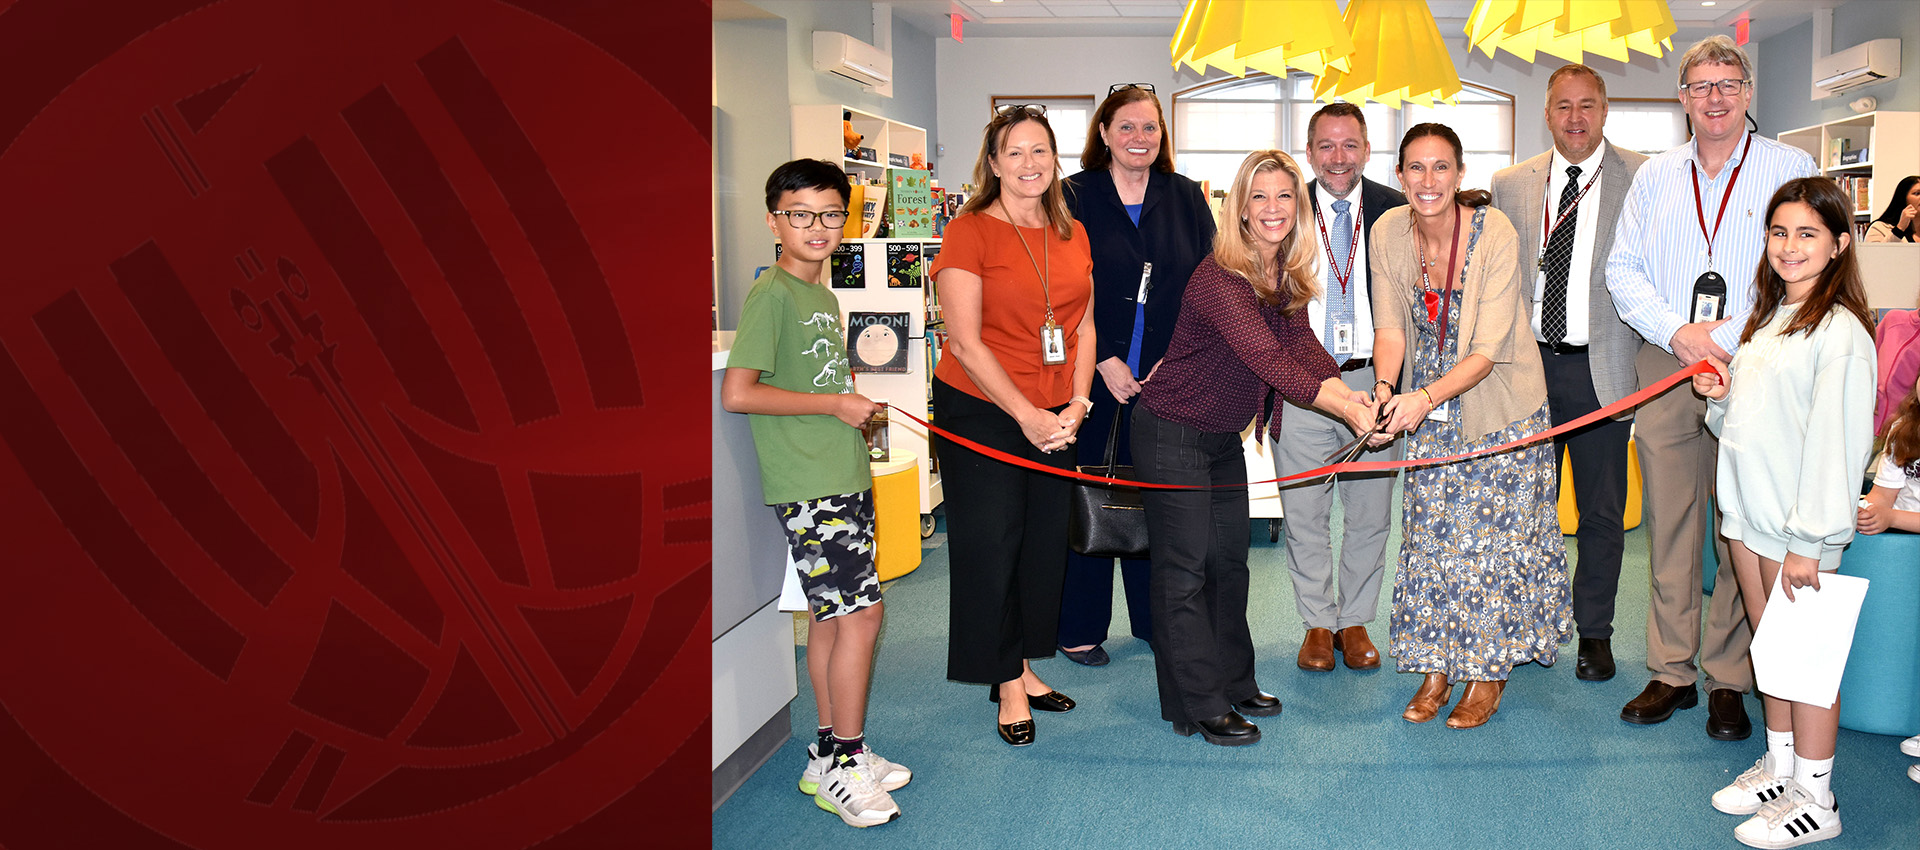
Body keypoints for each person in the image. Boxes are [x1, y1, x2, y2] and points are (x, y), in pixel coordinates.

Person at [1604, 34, 1817, 739]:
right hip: (1666, 364)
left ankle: (1731, 675)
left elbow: (1798, 268)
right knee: (1670, 522)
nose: (1715, 97)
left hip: (1756, 361)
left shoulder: (1791, 167)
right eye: (1701, 86)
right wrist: (1677, 333)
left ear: (1748, 93)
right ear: (1683, 97)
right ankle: (1672, 671)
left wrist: (1718, 339)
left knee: (1743, 526)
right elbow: (1622, 268)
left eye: (1728, 84)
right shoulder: (1656, 175)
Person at [1133, 149, 1375, 746]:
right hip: (1171, 432)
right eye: (1259, 197)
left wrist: (1354, 396)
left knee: (1229, 566)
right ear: (1239, 207)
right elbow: (1268, 361)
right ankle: (1199, 701)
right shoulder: (1219, 277)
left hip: (1219, 438)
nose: (1273, 209)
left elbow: (1307, 354)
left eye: (1285, 197)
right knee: (1184, 572)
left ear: (1300, 207)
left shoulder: (1281, 276)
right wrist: (1349, 409)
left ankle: (1234, 681)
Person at [720, 159, 910, 828]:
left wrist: (844, 412)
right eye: (800, 214)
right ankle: (845, 762)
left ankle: (832, 750)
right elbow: (738, 391)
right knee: (862, 617)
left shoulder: (821, 297)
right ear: (775, 220)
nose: (817, 227)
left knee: (836, 618)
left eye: (831, 214)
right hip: (810, 485)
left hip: (839, 476)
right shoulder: (771, 295)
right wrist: (834, 406)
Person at [1368, 123, 1572, 730]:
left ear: (1460, 175)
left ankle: (1486, 671)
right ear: (1399, 175)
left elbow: (1486, 351)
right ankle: (1436, 663)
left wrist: (1420, 397)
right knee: (1431, 537)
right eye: (1415, 168)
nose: (1427, 181)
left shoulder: (1496, 233)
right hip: (1426, 405)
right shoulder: (1387, 232)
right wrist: (1385, 391)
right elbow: (1390, 329)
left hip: (1501, 405)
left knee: (1491, 543)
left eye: (1440, 168)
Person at [1693, 177, 1876, 849]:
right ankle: (1781, 767)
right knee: (1773, 657)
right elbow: (1747, 420)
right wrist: (1719, 396)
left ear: (1838, 243)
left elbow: (1837, 444)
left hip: (1798, 531)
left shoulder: (1842, 333)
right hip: (1749, 519)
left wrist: (1810, 541)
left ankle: (1817, 797)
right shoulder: (1770, 319)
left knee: (1808, 669)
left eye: (1807, 233)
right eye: (1779, 232)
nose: (1790, 246)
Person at [930, 105, 1095, 748]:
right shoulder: (970, 231)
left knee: (1040, 543)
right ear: (993, 163)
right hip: (983, 407)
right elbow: (966, 343)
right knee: (991, 543)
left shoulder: (1071, 231)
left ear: (1056, 160)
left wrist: (1077, 402)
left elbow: (1082, 324)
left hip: (1056, 410)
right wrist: (1025, 415)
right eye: (1015, 152)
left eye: (1041, 151)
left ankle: (1024, 665)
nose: (1030, 164)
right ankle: (1002, 680)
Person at [1490, 64, 1648, 684]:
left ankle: (1595, 632)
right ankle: (1524, 624)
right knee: (1525, 507)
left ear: (1605, 111)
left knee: (1602, 510)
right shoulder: (1512, 183)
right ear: (1547, 113)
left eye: (1587, 106)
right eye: (1563, 107)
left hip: (1600, 368)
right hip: (1528, 368)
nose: (1575, 118)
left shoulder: (1642, 177)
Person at [1056, 83, 1216, 667]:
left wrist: (1180, 361)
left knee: (1159, 499)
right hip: (1091, 369)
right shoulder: (1073, 195)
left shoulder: (1185, 196)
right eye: (1126, 126)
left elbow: (1208, 284)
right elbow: (1060, 286)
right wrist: (1102, 358)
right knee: (1092, 489)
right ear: (1103, 133)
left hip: (1170, 373)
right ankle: (1079, 626)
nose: (1139, 138)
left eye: (1150, 128)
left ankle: (1155, 621)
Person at [1276, 102, 1407, 674]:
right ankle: (1316, 624)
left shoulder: (1396, 210)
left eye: (1349, 144)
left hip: (1374, 380)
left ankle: (1354, 621)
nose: (1338, 157)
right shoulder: (1282, 207)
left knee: (1370, 512)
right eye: (1326, 145)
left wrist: (1395, 384)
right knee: (1303, 512)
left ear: (1367, 149)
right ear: (1309, 152)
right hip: (1302, 383)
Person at [1863, 174, 1919, 242]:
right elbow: (1877, 252)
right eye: (1917, 193)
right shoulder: (1880, 228)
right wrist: (1900, 228)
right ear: (1903, 198)